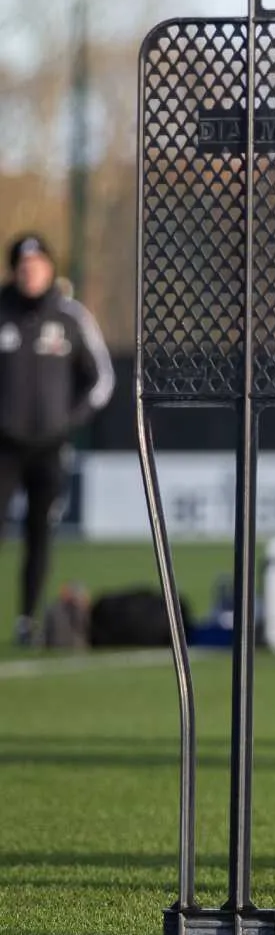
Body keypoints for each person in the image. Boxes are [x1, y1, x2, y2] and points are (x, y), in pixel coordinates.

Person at [0, 234, 115, 646]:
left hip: (50, 447)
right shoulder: (3, 312)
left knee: (39, 535)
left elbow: (101, 379)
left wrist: (68, 421)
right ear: (13, 269)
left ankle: (26, 621)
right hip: (4, 447)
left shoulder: (70, 316)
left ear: (49, 268)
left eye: (38, 264)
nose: (30, 271)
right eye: (23, 265)